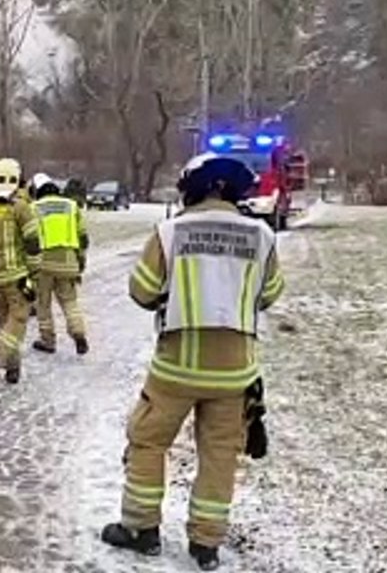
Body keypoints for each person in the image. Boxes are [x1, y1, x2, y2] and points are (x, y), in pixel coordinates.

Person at [100, 153, 284, 571]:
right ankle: (206, 543)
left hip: (175, 368)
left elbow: (142, 291)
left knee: (148, 441)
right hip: (235, 371)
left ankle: (141, 530)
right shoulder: (261, 235)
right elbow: (271, 293)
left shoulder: (170, 232)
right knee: (220, 454)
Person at [0, 157, 41, 388]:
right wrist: (33, 276)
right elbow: (33, 243)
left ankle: (12, 369)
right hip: (16, 275)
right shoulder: (20, 207)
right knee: (19, 321)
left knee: (5, 322)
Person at [29, 173, 90, 356]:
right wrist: (80, 259)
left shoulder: (33, 208)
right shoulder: (71, 206)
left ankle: (48, 340)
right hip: (68, 261)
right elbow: (83, 237)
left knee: (43, 304)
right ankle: (78, 333)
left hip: (43, 262)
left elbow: (30, 238)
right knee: (70, 301)